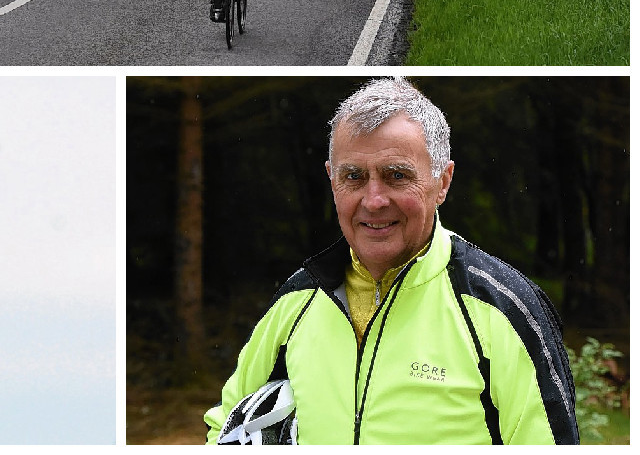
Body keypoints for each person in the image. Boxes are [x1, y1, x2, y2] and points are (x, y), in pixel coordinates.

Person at [205, 77, 579, 445]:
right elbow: (225, 427)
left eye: (396, 176)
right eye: (353, 176)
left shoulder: (500, 307)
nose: (374, 200)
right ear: (331, 180)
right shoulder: (296, 299)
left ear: (443, 182)